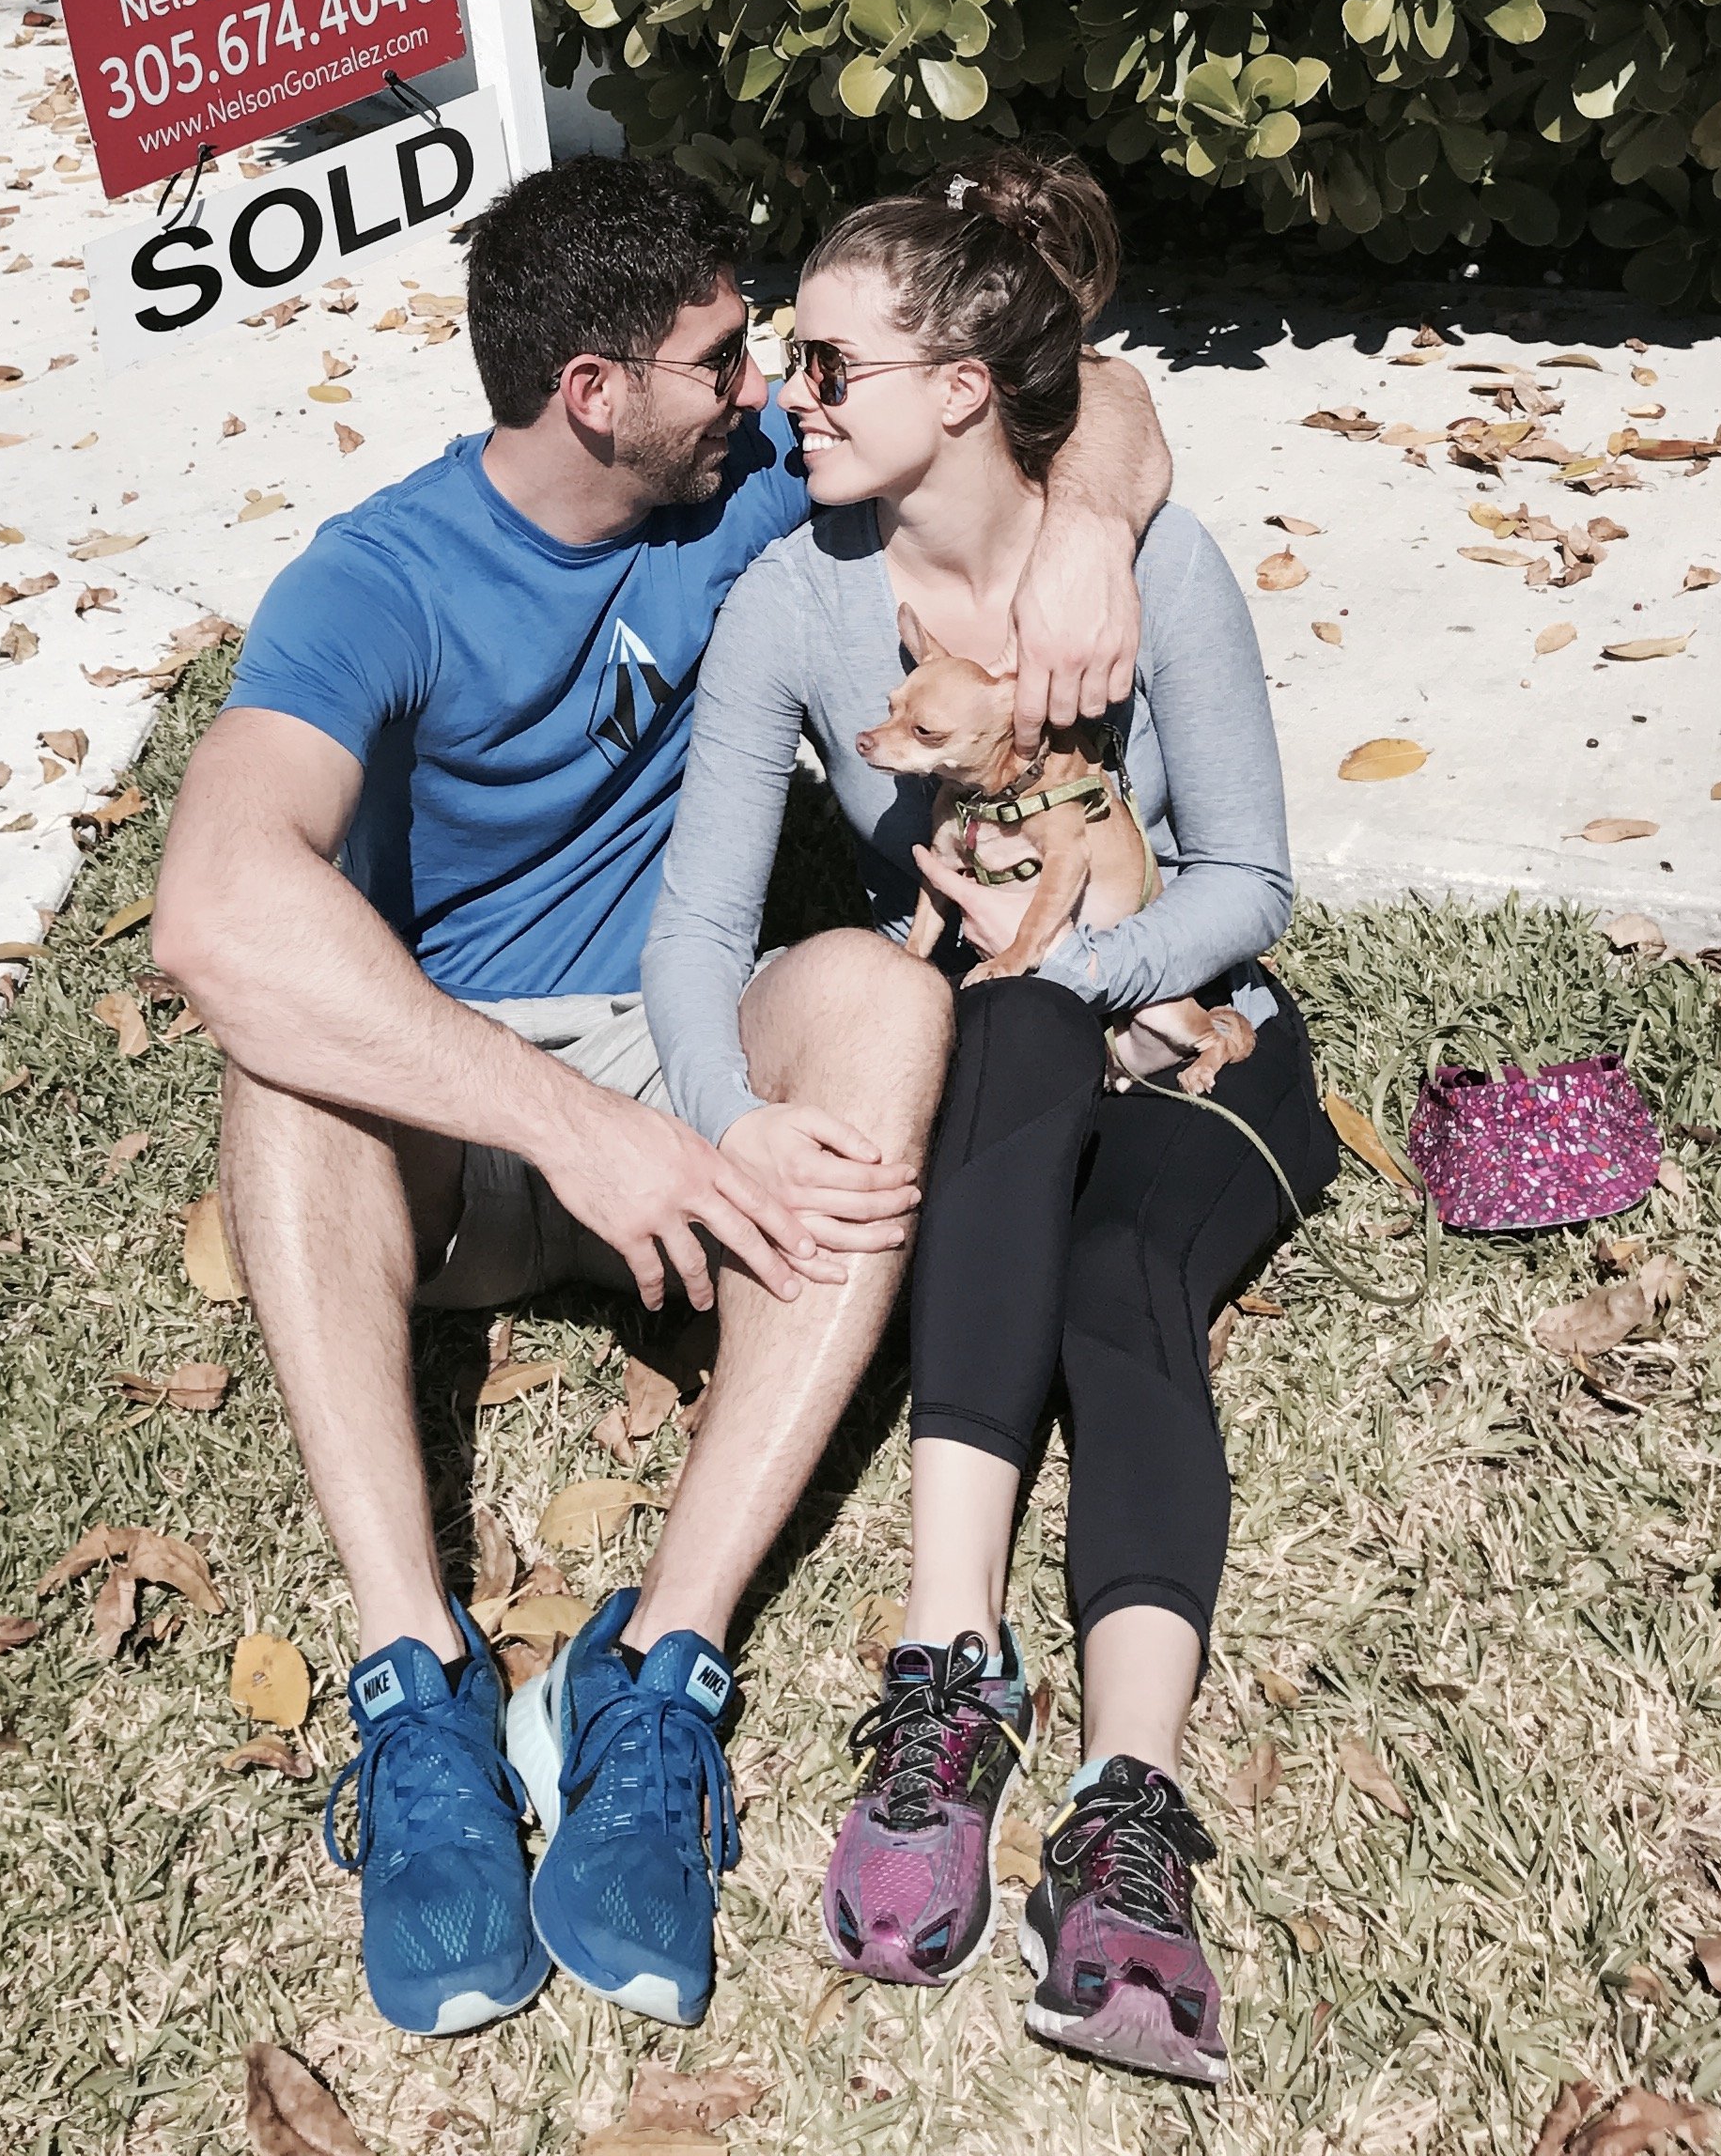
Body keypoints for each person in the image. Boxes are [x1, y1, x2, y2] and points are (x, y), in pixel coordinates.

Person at [150, 154, 1171, 2038]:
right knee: (279, 1056)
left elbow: (1085, 388)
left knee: (883, 1001)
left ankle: (660, 1671)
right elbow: (213, 907)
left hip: (688, 1048)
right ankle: (416, 1685)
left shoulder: (739, 477)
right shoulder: (378, 579)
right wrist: (573, 1129)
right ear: (593, 393)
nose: (768, 392)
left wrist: (1089, 526)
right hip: (458, 1106)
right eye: (722, 361)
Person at [641, 145, 1340, 2089]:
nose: (789, 395)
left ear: (963, 389)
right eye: (789, 360)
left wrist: (1084, 964)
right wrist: (726, 1117)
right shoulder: (794, 602)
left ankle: (1128, 1810)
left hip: (1196, 1040)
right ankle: (950, 1668)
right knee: (1007, 1036)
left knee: (1123, 1279)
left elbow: (1252, 881)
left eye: (828, 365)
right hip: (1001, 1051)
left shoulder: (1146, 564)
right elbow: (698, 927)